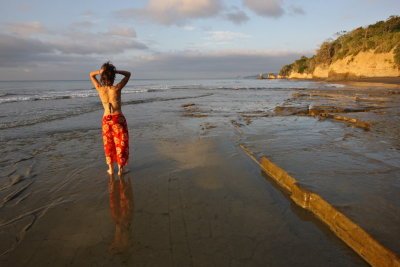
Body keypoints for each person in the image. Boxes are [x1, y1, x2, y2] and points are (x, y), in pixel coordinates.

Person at [90, 62, 131, 175]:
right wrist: (115, 71)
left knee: (108, 144)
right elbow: (128, 74)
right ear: (113, 76)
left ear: (102, 77)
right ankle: (121, 170)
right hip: (118, 118)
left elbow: (91, 75)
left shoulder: (100, 88)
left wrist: (100, 72)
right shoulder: (116, 88)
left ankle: (111, 169)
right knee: (121, 143)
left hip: (106, 120)